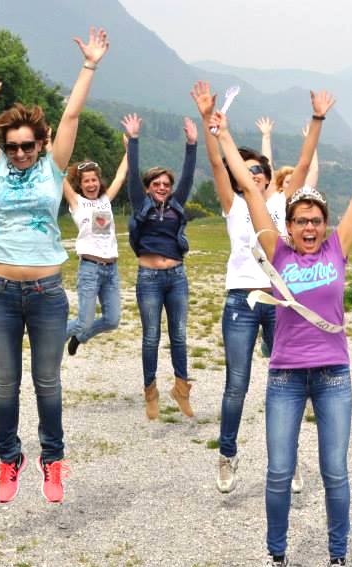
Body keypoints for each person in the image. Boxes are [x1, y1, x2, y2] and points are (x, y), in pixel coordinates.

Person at [209, 96, 352, 567]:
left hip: (334, 376)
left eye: (316, 220)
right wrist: (220, 134)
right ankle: (276, 554)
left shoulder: (337, 249)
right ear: (290, 225)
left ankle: (338, 555)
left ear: (325, 224)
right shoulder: (276, 252)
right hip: (285, 378)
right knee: (279, 472)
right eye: (301, 221)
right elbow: (249, 189)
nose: (310, 227)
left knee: (335, 472)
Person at [0, 23, 109, 503]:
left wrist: (89, 65)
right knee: (6, 385)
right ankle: (8, 459)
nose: (17, 152)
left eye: (25, 145)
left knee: (48, 382)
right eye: (11, 145)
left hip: (47, 293)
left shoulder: (53, 168)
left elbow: (73, 112)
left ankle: (52, 460)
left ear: (41, 142)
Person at [191, 82, 319, 494]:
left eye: (260, 171)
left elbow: (301, 164)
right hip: (240, 299)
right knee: (237, 383)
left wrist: (317, 120)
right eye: (247, 172)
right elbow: (215, 165)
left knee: (287, 380)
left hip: (280, 298)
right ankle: (227, 454)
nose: (254, 176)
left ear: (268, 177)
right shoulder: (234, 205)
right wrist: (207, 116)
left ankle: (289, 457)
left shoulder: (283, 204)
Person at [123, 112, 198, 419]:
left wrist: (192, 144)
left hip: (177, 276)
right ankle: (150, 391)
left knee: (179, 335)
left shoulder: (177, 205)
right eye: (157, 183)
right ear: (148, 186)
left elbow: (189, 176)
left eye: (167, 183)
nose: (164, 187)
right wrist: (134, 140)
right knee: (151, 335)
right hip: (150, 277)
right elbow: (131, 175)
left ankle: (181, 389)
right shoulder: (141, 203)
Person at [62, 141, 128, 356]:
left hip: (111, 270)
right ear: (80, 185)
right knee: (84, 320)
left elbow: (120, 176)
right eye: (86, 181)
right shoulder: (76, 202)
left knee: (112, 320)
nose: (91, 184)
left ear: (99, 182)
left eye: (94, 180)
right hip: (90, 269)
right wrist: (49, 148)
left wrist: (130, 149)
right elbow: (57, 174)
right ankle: (47, 338)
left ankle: (80, 337)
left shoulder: (105, 201)